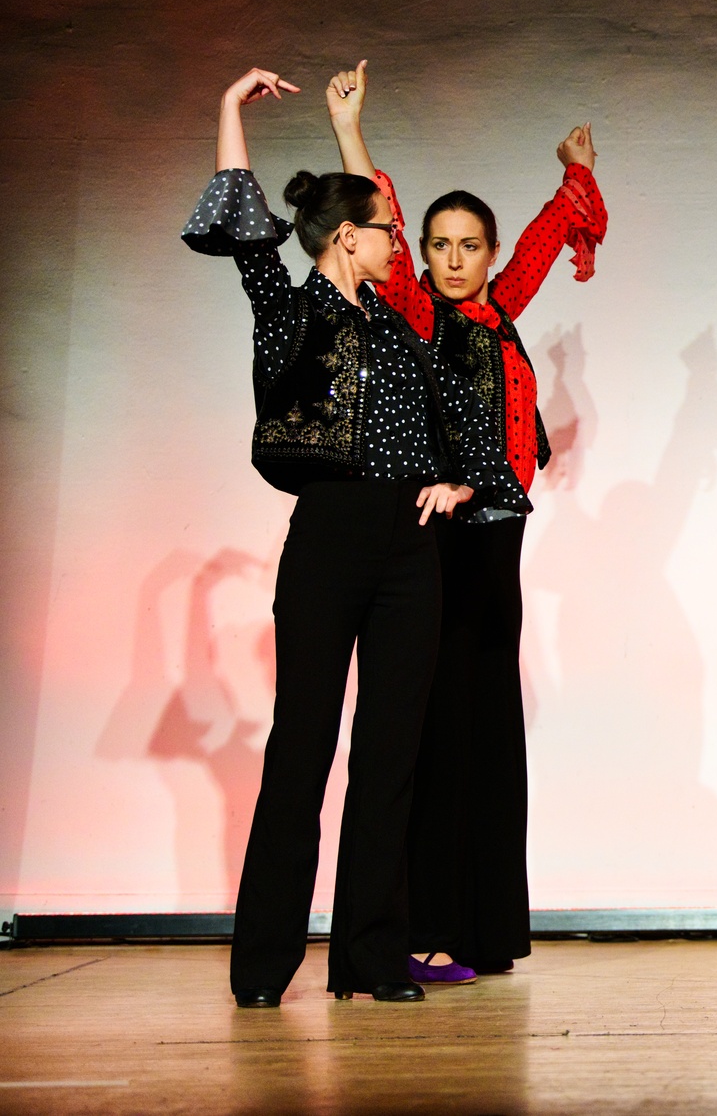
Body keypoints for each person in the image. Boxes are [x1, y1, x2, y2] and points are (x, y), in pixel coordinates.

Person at [184, 67, 527, 1007]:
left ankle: (371, 959)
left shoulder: (404, 327)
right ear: (348, 238)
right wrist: (228, 111)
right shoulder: (292, 308)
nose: (397, 241)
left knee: (389, 758)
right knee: (302, 747)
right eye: (385, 229)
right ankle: (263, 965)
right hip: (331, 539)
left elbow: (469, 415)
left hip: (409, 553)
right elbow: (246, 223)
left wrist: (461, 480)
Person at [321, 62, 608, 982]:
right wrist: (350, 131)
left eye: (469, 245)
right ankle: (425, 924)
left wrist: (573, 170)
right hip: (435, 543)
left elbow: (544, 242)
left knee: (489, 731)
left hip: (496, 545)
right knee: (434, 729)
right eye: (440, 244)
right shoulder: (412, 312)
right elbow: (380, 220)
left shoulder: (500, 311)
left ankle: (483, 929)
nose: (453, 259)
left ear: (488, 255)